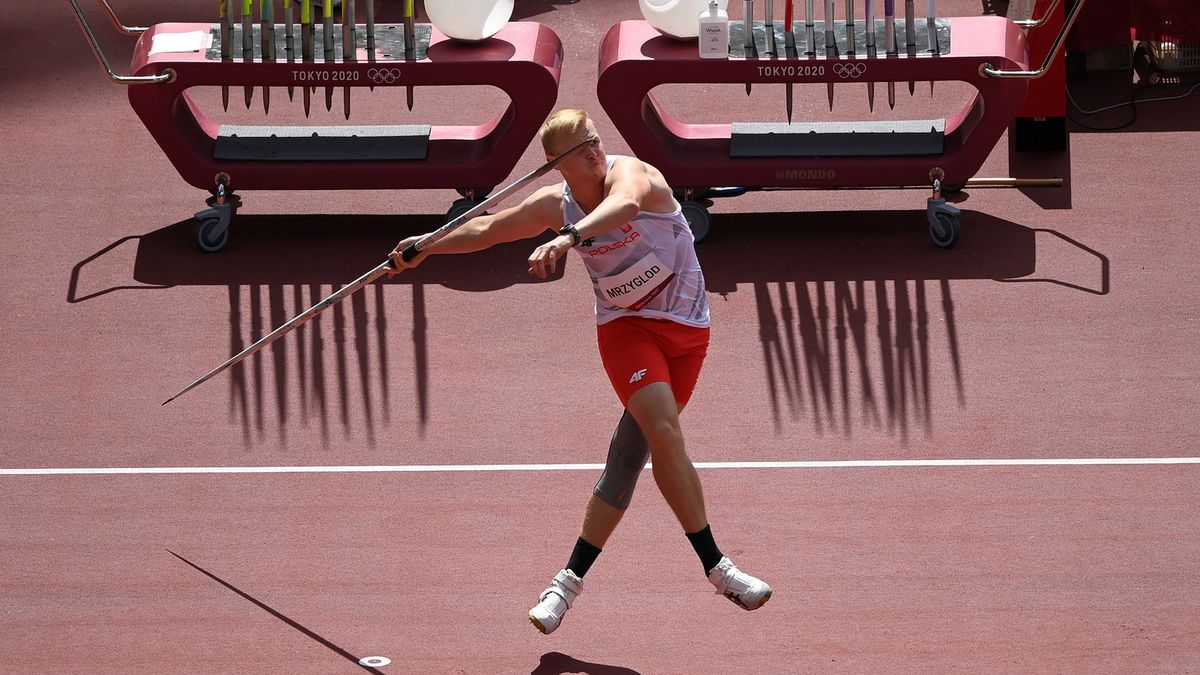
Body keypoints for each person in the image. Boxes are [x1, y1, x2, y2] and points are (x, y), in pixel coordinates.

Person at [388, 109, 771, 634]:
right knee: (663, 432)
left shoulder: (633, 174)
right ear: (556, 166)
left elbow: (625, 205)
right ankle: (720, 570)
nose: (592, 152)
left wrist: (568, 238)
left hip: (688, 333)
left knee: (627, 461)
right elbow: (487, 229)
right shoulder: (554, 203)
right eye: (577, 150)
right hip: (627, 332)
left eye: (593, 141)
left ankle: (566, 582)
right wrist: (425, 246)